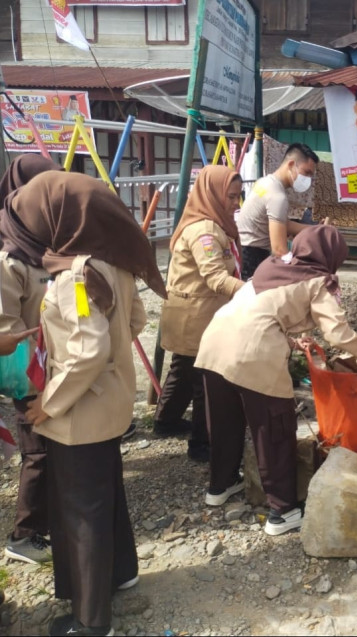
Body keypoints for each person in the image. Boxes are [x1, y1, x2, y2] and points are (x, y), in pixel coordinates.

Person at [8, 170, 166, 636]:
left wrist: (48, 404)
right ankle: (122, 574)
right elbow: (134, 320)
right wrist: (111, 352)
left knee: (82, 513)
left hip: (79, 413)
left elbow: (87, 351)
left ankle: (91, 621)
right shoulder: (112, 262)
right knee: (105, 496)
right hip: (110, 403)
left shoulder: (74, 275)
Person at [194, 225, 357, 535]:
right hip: (252, 353)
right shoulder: (318, 280)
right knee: (274, 429)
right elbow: (337, 334)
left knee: (225, 422)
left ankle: (220, 486)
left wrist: (291, 341)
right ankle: (283, 510)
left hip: (214, 343)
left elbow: (259, 312)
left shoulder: (271, 266)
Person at [154, 165, 244, 462]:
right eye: (231, 196)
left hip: (193, 311)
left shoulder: (213, 223)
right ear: (213, 193)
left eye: (238, 196)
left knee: (183, 370)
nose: (236, 203)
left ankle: (165, 422)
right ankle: (202, 445)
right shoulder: (205, 230)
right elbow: (216, 277)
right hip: (196, 316)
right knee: (205, 381)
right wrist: (253, 292)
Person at [0, 155, 62, 565]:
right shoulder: (11, 259)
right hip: (27, 372)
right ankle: (24, 534)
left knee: (52, 446)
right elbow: (5, 331)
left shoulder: (48, 244)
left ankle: (47, 517)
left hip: (54, 364)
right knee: (37, 451)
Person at [236, 142, 321, 279]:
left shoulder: (265, 183)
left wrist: (316, 230)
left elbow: (282, 224)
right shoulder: (277, 197)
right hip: (253, 256)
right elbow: (279, 250)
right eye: (307, 173)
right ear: (291, 164)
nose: (308, 180)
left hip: (242, 249)